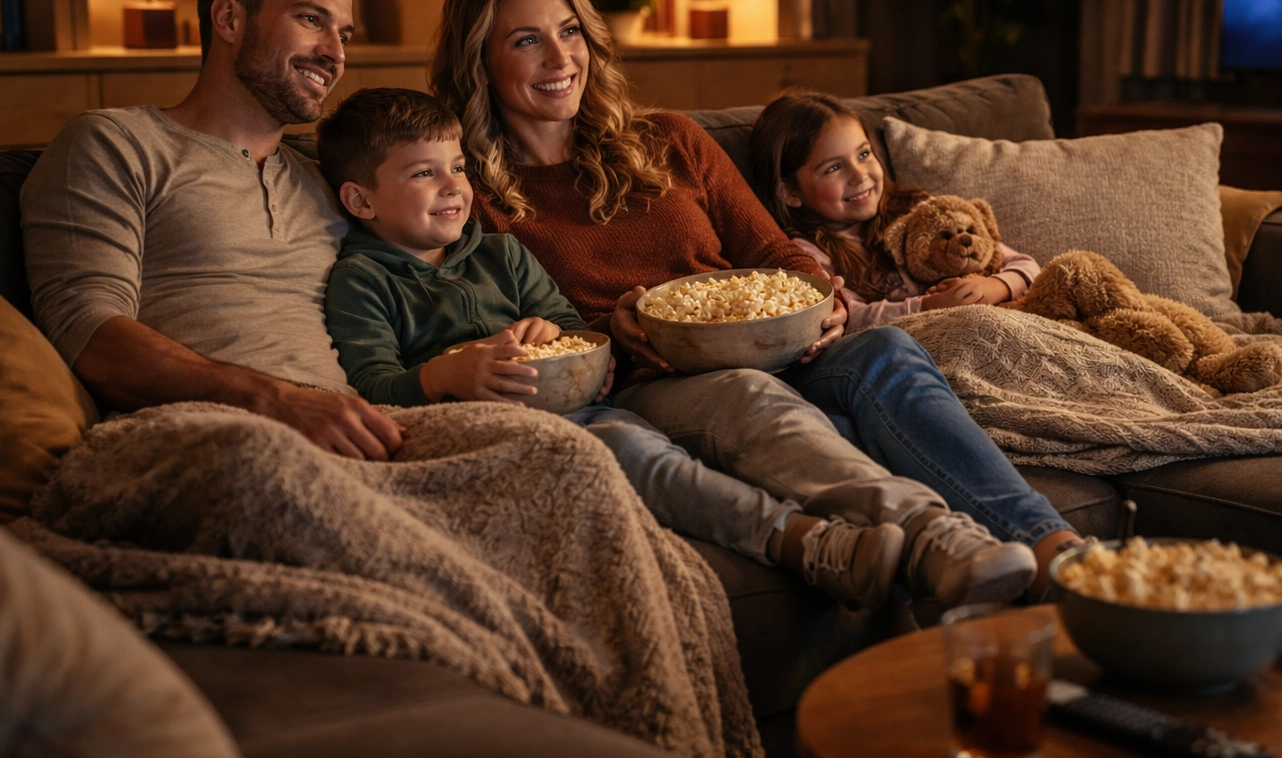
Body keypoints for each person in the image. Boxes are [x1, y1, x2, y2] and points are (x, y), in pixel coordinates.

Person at [431, 0, 1080, 604]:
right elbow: (515, 337)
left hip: (778, 344)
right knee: (744, 390)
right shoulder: (464, 197)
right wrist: (611, 331)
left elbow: (777, 254)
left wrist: (822, 302)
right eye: (526, 40)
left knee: (886, 347)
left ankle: (1056, 549)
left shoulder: (671, 140)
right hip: (652, 383)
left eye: (569, 31)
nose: (560, 57)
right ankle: (935, 540)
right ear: (479, 60)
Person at [315, 86, 907, 610]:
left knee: (653, 443)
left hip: (581, 406)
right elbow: (372, 384)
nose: (453, 187)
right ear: (361, 201)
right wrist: (444, 376)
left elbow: (570, 326)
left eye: (458, 167)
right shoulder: (362, 281)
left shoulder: (502, 253)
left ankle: (857, 531)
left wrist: (554, 337)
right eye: (424, 174)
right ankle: (799, 539)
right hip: (489, 426)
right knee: (632, 450)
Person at [20, 0, 402, 460]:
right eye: (311, 20)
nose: (334, 53)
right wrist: (278, 402)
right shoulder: (117, 143)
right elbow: (88, 333)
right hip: (199, 438)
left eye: (345, 34)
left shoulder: (330, 182)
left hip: (359, 431)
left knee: (528, 446)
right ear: (228, 19)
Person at [746, 91, 1041, 332]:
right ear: (790, 192)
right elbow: (848, 317)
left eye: (863, 154)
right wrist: (925, 307)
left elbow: (1026, 265)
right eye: (833, 168)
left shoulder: (919, 210)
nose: (860, 175)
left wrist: (995, 286)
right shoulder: (808, 255)